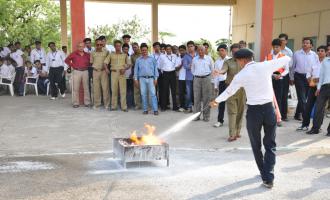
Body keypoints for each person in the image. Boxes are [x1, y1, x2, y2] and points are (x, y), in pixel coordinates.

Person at [210, 49, 291, 189]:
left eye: (237, 61)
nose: (238, 64)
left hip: (254, 112)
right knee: (270, 144)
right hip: (268, 110)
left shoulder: (241, 74)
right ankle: (269, 176)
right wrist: (274, 60)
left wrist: (216, 101)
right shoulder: (265, 65)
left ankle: (264, 174)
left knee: (256, 145)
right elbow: (287, 59)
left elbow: (229, 91)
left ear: (242, 60)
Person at [214, 43, 245, 142]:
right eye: (233, 52)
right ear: (231, 52)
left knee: (240, 112)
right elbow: (224, 70)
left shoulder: (245, 61)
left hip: (242, 89)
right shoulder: (228, 62)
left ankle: (238, 131)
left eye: (237, 52)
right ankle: (232, 134)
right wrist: (219, 72)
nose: (235, 53)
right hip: (230, 89)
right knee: (232, 112)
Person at [296, 46, 325, 131]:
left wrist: (319, 79)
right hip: (312, 86)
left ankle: (318, 127)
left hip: (322, 88)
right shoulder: (314, 62)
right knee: (308, 106)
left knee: (320, 108)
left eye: (322, 51)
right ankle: (305, 125)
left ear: (326, 52)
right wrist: (309, 78)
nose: (320, 52)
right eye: (318, 51)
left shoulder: (327, 63)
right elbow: (308, 72)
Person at [290, 38, 319, 121]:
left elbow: (316, 68)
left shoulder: (314, 55)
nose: (305, 44)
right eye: (304, 43)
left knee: (304, 97)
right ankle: (304, 115)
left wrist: (315, 79)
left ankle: (297, 114)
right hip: (299, 77)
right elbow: (292, 66)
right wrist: (291, 77)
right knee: (302, 97)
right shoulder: (296, 54)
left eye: (307, 43)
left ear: (311, 45)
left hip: (310, 78)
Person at [265, 39, 289, 126]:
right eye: (274, 47)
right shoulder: (268, 56)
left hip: (280, 80)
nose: (276, 48)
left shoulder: (284, 57)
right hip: (270, 79)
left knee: (279, 98)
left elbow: (287, 70)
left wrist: (280, 75)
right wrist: (272, 74)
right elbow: (265, 68)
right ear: (272, 47)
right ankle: (271, 117)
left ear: (280, 47)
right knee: (269, 98)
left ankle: (278, 118)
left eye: (277, 47)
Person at [306, 51, 330, 136]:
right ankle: (315, 128)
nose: (329, 51)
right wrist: (318, 88)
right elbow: (322, 75)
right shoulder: (325, 61)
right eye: (328, 49)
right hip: (324, 87)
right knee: (318, 108)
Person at [104, 40, 131, 112]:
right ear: (114, 46)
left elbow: (129, 64)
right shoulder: (111, 54)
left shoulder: (124, 55)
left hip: (122, 74)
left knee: (123, 90)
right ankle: (113, 106)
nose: (118, 47)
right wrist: (106, 69)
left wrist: (125, 68)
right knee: (114, 90)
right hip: (114, 73)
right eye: (116, 46)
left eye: (119, 46)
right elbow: (105, 62)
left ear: (121, 46)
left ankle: (124, 107)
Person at [134, 43, 159, 115]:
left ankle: (155, 110)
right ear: (141, 51)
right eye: (142, 50)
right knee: (143, 94)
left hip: (151, 79)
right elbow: (136, 70)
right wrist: (136, 79)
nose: (144, 51)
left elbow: (155, 70)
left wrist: (156, 79)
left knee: (153, 94)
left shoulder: (152, 59)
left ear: (147, 50)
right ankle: (145, 109)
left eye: (145, 50)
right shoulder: (138, 60)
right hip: (142, 79)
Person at [192, 45, 214, 122]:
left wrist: (210, 79)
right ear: (197, 51)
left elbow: (212, 69)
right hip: (197, 79)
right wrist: (197, 75)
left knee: (207, 98)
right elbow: (192, 69)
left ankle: (206, 116)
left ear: (205, 51)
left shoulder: (209, 58)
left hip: (206, 79)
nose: (200, 51)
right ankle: (196, 116)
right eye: (199, 50)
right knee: (196, 98)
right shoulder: (194, 59)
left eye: (202, 50)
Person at [65, 42, 90, 107]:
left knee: (86, 88)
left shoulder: (87, 54)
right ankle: (75, 103)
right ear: (77, 47)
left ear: (84, 47)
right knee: (76, 88)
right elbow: (66, 60)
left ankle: (87, 102)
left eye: (82, 46)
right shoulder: (74, 54)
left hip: (85, 72)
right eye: (79, 46)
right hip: (76, 71)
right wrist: (72, 65)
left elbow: (91, 62)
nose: (81, 48)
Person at [159, 44, 181, 111]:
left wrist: (178, 56)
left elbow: (178, 64)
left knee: (173, 91)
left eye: (170, 49)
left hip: (172, 73)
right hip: (165, 74)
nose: (168, 50)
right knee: (165, 90)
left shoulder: (174, 56)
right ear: (165, 50)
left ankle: (175, 106)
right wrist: (164, 72)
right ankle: (164, 106)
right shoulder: (162, 56)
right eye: (167, 49)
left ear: (171, 50)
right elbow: (160, 66)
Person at [213, 44, 229, 128]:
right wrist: (215, 86)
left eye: (222, 50)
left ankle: (234, 121)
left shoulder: (230, 60)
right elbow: (216, 74)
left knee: (231, 103)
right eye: (219, 51)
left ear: (226, 50)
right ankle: (220, 121)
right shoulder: (217, 61)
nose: (221, 52)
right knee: (221, 102)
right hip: (222, 83)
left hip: (230, 83)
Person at [91, 39, 110, 109]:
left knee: (105, 88)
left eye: (101, 45)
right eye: (97, 45)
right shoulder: (92, 52)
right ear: (95, 44)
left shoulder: (106, 52)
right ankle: (97, 104)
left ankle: (106, 104)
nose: (99, 46)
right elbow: (91, 62)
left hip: (103, 72)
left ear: (102, 44)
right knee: (96, 88)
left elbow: (108, 62)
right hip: (95, 71)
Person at [278, 33, 293, 121]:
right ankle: (277, 115)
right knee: (277, 95)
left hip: (285, 75)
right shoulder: (274, 50)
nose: (281, 41)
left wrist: (291, 77)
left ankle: (284, 115)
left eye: (283, 40)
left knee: (284, 95)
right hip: (276, 74)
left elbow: (290, 65)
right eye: (280, 40)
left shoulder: (289, 52)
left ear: (286, 41)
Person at [182, 41, 196, 113]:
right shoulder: (186, 56)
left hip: (197, 77)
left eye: (191, 46)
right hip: (189, 78)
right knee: (188, 93)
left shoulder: (198, 55)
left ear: (194, 46)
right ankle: (189, 107)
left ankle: (196, 107)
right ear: (187, 48)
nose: (190, 48)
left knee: (196, 93)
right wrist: (191, 65)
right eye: (189, 46)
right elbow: (185, 66)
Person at [130, 42, 142, 109]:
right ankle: (137, 105)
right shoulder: (132, 56)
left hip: (143, 74)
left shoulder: (143, 54)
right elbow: (132, 66)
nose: (134, 49)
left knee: (143, 90)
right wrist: (132, 74)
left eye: (135, 47)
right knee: (136, 90)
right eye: (133, 47)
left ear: (138, 47)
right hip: (136, 75)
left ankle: (145, 104)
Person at [122, 43, 134, 108]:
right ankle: (124, 103)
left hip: (129, 76)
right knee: (123, 91)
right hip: (122, 76)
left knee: (130, 91)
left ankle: (130, 104)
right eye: (124, 49)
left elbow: (132, 66)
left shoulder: (130, 56)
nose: (125, 50)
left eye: (127, 49)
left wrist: (132, 74)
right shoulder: (120, 56)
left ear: (128, 49)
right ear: (122, 49)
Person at [178, 45, 187, 112]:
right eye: (180, 50)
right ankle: (182, 106)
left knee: (187, 93)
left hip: (187, 78)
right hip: (180, 78)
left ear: (185, 50)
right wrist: (181, 64)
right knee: (181, 93)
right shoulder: (177, 58)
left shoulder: (188, 57)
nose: (181, 52)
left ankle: (187, 106)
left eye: (183, 50)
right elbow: (176, 68)